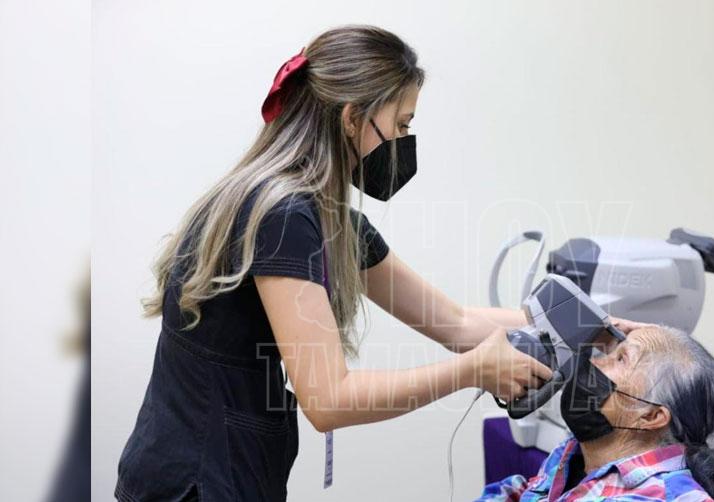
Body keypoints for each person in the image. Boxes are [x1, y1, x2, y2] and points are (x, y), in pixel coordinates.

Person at [114, 25, 643, 501]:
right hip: (197, 480)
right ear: (352, 118)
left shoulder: (327, 220)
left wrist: (591, 330)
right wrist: (472, 372)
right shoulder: (282, 215)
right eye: (402, 123)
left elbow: (454, 322)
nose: (405, 142)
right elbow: (329, 399)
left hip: (224, 466)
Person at [476, 323, 714, 502]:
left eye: (621, 358)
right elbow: (528, 492)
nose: (594, 361)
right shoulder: (573, 456)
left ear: (651, 416)